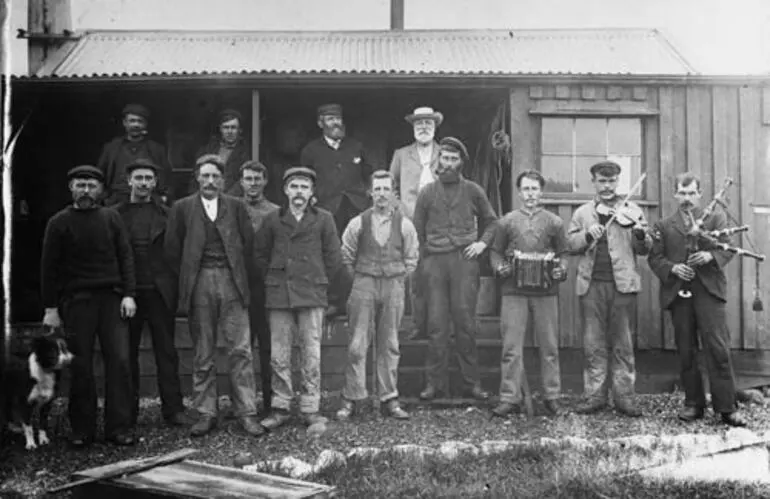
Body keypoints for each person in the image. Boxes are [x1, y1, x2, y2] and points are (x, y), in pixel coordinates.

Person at [164, 154, 264, 438]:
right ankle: (206, 412)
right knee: (203, 350)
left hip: (232, 281)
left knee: (241, 349)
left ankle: (246, 411)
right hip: (200, 282)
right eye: (205, 175)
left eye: (215, 176)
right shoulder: (182, 208)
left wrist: (242, 282)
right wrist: (190, 279)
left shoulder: (236, 206)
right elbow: (172, 250)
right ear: (197, 177)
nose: (210, 181)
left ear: (223, 180)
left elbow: (249, 247)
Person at [41, 165, 137, 447]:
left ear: (101, 190)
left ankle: (119, 428)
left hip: (112, 300)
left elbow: (126, 257)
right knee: (80, 365)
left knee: (119, 361)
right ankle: (82, 429)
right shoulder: (58, 222)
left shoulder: (111, 218)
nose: (86, 191)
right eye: (80, 185)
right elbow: (48, 268)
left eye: (91, 186)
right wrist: (50, 308)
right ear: (71, 188)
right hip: (77, 302)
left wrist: (129, 294)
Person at [647, 173, 747, 427]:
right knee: (686, 350)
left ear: (700, 194)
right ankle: (694, 403)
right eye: (682, 193)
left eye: (692, 193)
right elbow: (654, 258)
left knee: (717, 348)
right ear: (675, 194)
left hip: (708, 293)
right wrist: (673, 269)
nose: (687, 198)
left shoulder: (715, 218)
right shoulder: (664, 225)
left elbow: (727, 248)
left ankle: (727, 407)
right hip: (680, 294)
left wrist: (710, 256)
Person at [256, 167, 342, 430]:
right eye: (294, 186)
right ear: (285, 190)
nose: (299, 192)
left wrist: (318, 281)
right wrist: (273, 279)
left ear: (312, 192)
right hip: (280, 293)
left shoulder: (324, 219)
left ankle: (310, 408)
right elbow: (260, 255)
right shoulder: (272, 220)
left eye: (304, 187)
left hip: (311, 292)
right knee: (279, 354)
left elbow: (333, 258)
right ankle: (280, 407)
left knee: (311, 353)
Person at [413, 137, 498, 401]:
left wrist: (481, 244)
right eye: (445, 158)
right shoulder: (427, 192)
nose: (448, 163)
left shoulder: (473, 190)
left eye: (453, 159)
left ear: (461, 162)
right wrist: (425, 259)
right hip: (435, 264)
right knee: (437, 325)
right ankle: (434, 383)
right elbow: (417, 230)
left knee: (465, 323)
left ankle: (471, 383)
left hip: (464, 262)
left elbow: (492, 222)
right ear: (438, 160)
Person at [566, 160, 652, 417]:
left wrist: (640, 235)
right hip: (591, 285)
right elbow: (570, 244)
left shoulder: (632, 211)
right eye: (602, 181)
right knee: (593, 343)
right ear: (594, 182)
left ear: (618, 182)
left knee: (623, 343)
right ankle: (595, 396)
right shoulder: (583, 213)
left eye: (611, 181)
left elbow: (644, 249)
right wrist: (587, 235)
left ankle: (624, 397)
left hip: (622, 285)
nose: (607, 186)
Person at [336, 170, 419, 421]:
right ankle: (352, 397)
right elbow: (346, 255)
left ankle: (389, 398)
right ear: (370, 193)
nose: (382, 194)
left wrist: (397, 278)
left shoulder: (405, 224)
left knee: (390, 343)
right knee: (357, 344)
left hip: (393, 285)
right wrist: (361, 279)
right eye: (377, 189)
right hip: (364, 283)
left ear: (393, 193)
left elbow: (412, 259)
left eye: (386, 189)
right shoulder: (357, 223)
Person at [113, 158, 189, 427]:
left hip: (159, 292)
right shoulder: (114, 214)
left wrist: (173, 285)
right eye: (139, 178)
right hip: (127, 294)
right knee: (126, 353)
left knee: (166, 352)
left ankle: (173, 409)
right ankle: (127, 412)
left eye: (148, 178)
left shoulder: (168, 214)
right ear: (129, 181)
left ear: (155, 183)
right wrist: (122, 290)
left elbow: (177, 253)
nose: (143, 183)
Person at [489, 170, 568, 417]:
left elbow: (564, 254)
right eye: (526, 189)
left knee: (549, 346)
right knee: (511, 347)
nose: (530, 194)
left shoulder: (554, 222)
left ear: (541, 192)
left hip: (546, 292)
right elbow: (495, 253)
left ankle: (552, 396)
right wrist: (499, 267)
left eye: (534, 189)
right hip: (513, 291)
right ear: (519, 192)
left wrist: (561, 270)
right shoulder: (506, 222)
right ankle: (509, 397)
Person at [300, 103, 372, 318]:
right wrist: (311, 198)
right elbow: (304, 179)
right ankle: (333, 301)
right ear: (320, 123)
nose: (336, 123)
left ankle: (356, 302)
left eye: (338, 118)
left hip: (355, 209)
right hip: (327, 210)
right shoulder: (311, 150)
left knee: (358, 255)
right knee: (330, 257)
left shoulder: (356, 146)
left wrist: (367, 194)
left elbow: (369, 174)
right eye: (330, 119)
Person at [389, 106, 442, 339]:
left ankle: (439, 326)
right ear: (412, 127)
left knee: (439, 276)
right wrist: (401, 210)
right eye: (419, 123)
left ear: (435, 127)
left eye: (428, 123)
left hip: (440, 224)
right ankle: (419, 325)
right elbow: (390, 186)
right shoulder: (401, 154)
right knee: (416, 276)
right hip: (410, 222)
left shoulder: (445, 153)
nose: (423, 127)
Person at [238, 160, 279, 414]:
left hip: (266, 287)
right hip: (239, 285)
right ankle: (244, 404)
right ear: (241, 182)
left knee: (268, 346)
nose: (253, 184)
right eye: (248, 179)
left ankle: (271, 402)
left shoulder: (275, 212)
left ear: (265, 181)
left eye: (257, 179)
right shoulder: (232, 208)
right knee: (241, 347)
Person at [97, 104, 171, 206]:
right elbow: (100, 175)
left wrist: (163, 197)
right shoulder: (111, 148)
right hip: (116, 200)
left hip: (149, 200)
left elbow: (166, 176)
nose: (136, 125)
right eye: (132, 121)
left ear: (145, 124)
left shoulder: (156, 149)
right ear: (124, 123)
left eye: (140, 121)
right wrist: (104, 198)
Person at [193, 109, 251, 196]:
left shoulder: (246, 152)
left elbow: (244, 180)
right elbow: (196, 177)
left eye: (233, 127)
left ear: (240, 130)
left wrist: (225, 199)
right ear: (220, 129)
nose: (230, 131)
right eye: (226, 127)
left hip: (233, 199)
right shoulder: (207, 150)